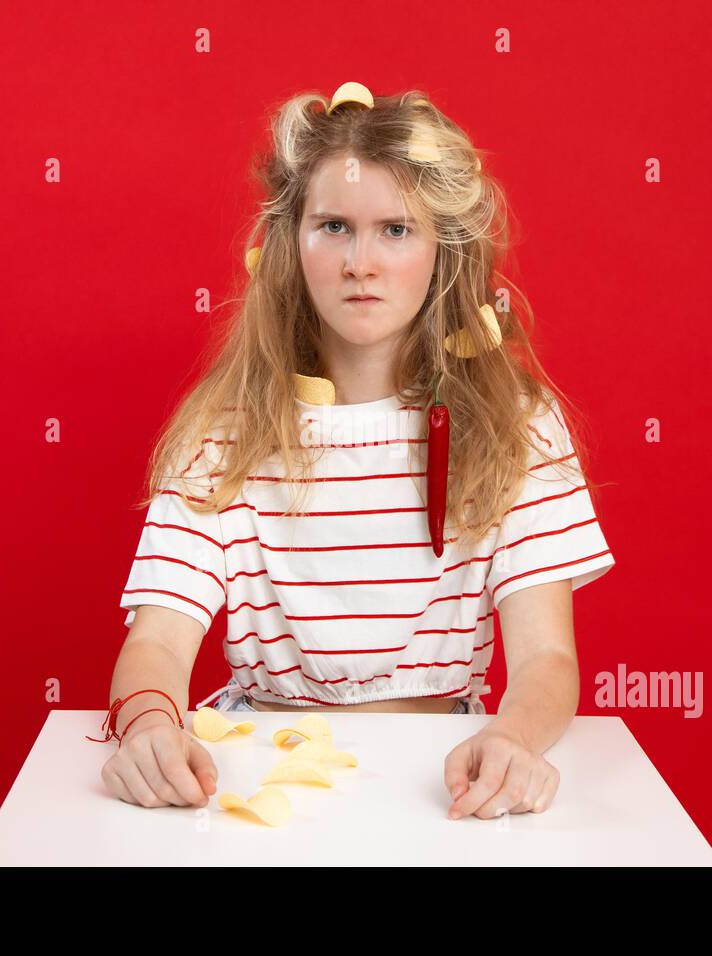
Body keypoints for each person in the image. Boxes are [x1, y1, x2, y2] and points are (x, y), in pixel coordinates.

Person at [93, 82, 616, 822]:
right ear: (288, 242)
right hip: (255, 768)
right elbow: (157, 642)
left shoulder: (518, 427)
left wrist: (515, 739)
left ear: (444, 250)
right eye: (333, 226)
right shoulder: (223, 429)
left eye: (396, 230)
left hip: (445, 779)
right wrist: (147, 727)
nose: (360, 263)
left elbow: (546, 660)